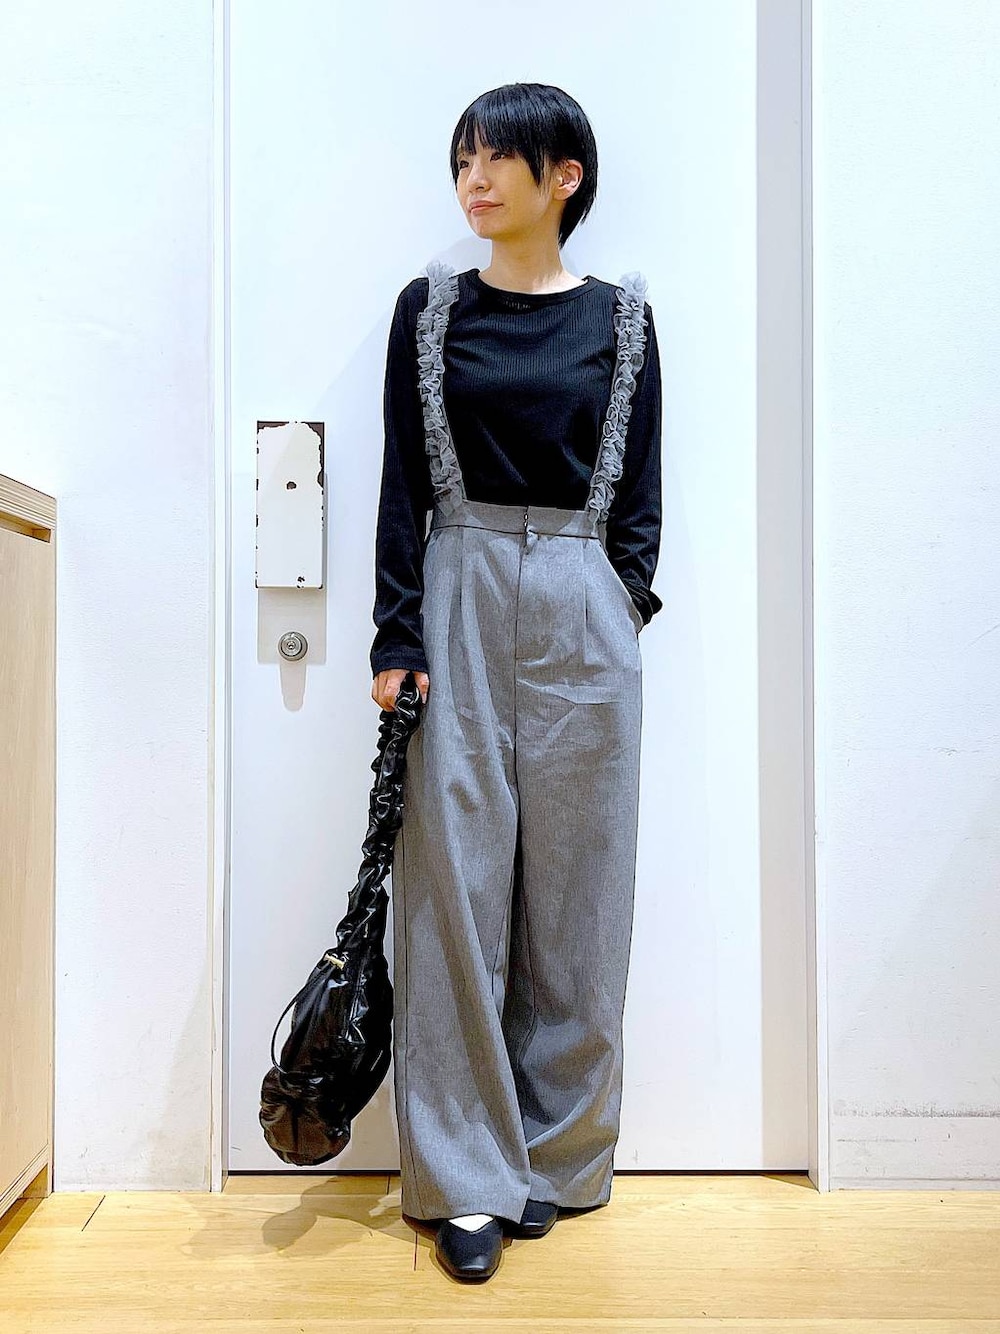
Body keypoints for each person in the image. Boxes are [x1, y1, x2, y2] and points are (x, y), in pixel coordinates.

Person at [369, 81, 662, 1281]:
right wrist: (395, 639)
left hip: (584, 597)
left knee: (581, 895)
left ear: (564, 176)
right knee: (453, 889)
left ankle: (559, 1155)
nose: (474, 181)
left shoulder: (623, 320)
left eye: (496, 159)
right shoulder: (429, 311)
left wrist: (622, 600)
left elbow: (640, 494)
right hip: (458, 586)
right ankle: (465, 1179)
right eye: (462, 162)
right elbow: (402, 481)